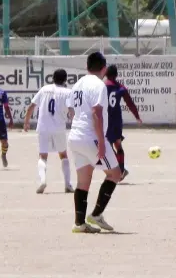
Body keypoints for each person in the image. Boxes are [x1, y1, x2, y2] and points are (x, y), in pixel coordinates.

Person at [68, 52, 122, 234]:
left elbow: (71, 110)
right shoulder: (99, 85)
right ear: (104, 68)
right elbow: (96, 113)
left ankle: (79, 223)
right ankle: (96, 214)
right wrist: (101, 141)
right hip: (90, 135)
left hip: (75, 135)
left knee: (83, 181)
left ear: (87, 66)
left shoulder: (77, 84)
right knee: (115, 174)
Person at [23, 69, 75, 194]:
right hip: (59, 127)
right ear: (65, 79)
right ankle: (67, 184)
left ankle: (42, 180)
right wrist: (74, 122)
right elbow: (71, 111)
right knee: (63, 155)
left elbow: (31, 106)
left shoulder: (44, 89)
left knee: (42, 155)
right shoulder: (68, 92)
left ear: (53, 78)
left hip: (43, 126)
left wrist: (26, 122)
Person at [105, 65, 142, 181]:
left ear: (106, 74)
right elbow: (130, 104)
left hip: (106, 121)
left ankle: (116, 171)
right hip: (117, 121)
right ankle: (121, 171)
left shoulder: (101, 86)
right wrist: (137, 117)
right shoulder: (121, 88)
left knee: (108, 148)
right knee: (118, 145)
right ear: (116, 75)